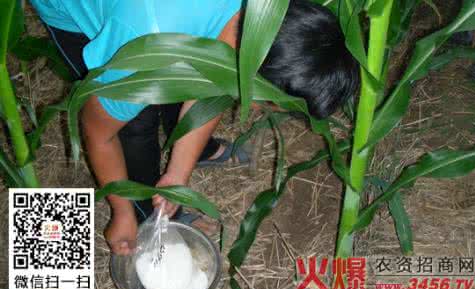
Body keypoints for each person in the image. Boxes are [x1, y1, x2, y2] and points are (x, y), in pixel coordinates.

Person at [30, 0, 359, 255]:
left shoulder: (254, 22)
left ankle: (185, 160)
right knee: (136, 126)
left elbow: (216, 81)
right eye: (269, 104)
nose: (260, 111)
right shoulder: (149, 41)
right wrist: (122, 210)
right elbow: (99, 132)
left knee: (176, 90)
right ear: (252, 75)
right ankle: (146, 214)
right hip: (79, 10)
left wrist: (177, 175)